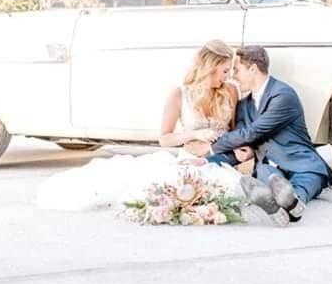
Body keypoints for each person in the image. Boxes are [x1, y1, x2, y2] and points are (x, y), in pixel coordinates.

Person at [34, 40, 247, 211]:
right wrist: (196, 134)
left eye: (229, 71)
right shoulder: (180, 94)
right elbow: (164, 138)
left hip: (222, 159)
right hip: (190, 158)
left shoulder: (231, 91)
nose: (227, 76)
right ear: (208, 68)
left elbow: (237, 128)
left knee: (226, 192)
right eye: (224, 71)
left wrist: (238, 146)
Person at [206, 45, 332, 227]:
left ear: (252, 69)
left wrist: (212, 146)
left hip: (302, 164)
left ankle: (289, 205)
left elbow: (251, 133)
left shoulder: (283, 95)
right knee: (269, 178)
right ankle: (282, 207)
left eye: (237, 70)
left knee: (299, 189)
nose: (233, 77)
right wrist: (208, 162)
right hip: (269, 170)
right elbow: (240, 146)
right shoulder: (244, 105)